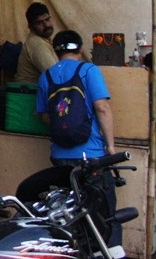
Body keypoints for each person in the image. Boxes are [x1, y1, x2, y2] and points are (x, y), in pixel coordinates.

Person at [36, 29, 119, 247]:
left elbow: (45, 116)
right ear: (80, 50)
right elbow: (102, 107)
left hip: (60, 159)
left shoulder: (46, 76)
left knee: (69, 215)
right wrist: (110, 146)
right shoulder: (88, 70)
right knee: (104, 216)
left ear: (55, 51)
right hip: (90, 156)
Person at [14, 2, 58, 84]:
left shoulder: (44, 40)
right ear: (30, 27)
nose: (46, 25)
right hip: (29, 94)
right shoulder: (37, 44)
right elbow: (55, 76)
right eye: (39, 23)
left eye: (47, 20)